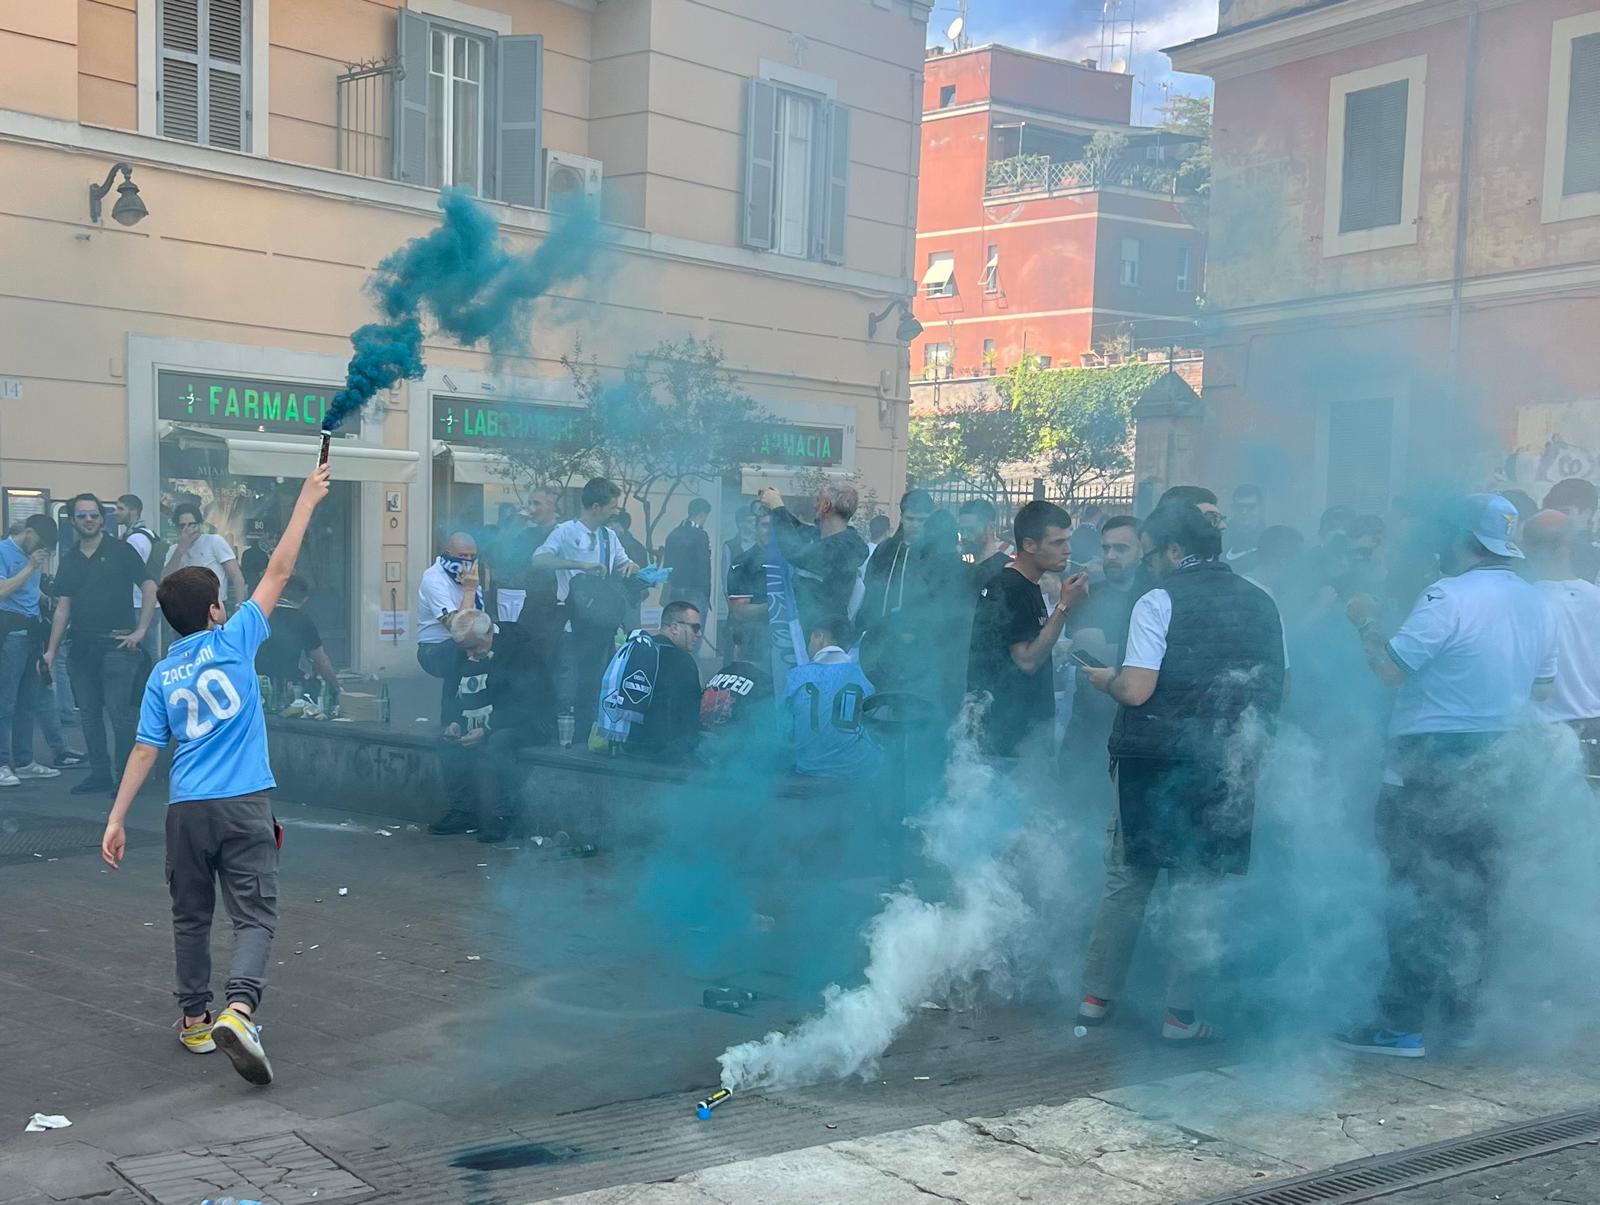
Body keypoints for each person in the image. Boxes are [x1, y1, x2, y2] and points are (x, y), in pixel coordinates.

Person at [99, 462, 332, 1088]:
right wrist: (306, 499)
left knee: (190, 916)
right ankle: (241, 1009)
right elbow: (279, 570)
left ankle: (197, 1019)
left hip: (186, 811)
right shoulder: (235, 639)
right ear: (214, 610)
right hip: (244, 804)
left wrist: (117, 817)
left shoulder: (161, 674)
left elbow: (146, 751)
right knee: (254, 914)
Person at [1335, 494, 1555, 1058]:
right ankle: (1462, 1020)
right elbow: (1542, 688)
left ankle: (1400, 1023)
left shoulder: (1446, 597)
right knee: (1478, 895)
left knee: (1413, 892)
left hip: (1427, 763)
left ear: (1462, 539)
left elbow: (1388, 669)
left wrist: (1363, 621)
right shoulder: (1536, 602)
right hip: (1501, 764)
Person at [1076, 500, 1285, 1042]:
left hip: (1153, 762)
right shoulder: (1264, 602)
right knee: (1198, 886)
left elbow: (1138, 688)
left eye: (1150, 554)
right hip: (1227, 762)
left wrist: (1106, 680)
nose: (1147, 565)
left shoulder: (1158, 599)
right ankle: (1180, 1016)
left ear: (1174, 550)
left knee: (1129, 877)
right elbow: (1275, 689)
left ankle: (1097, 999)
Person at [44, 494, 158, 796]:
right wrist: (51, 650)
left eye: (94, 515)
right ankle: (99, 774)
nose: (89, 520)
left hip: (117, 644)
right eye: (82, 516)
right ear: (73, 521)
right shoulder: (69, 560)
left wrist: (142, 629)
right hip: (81, 645)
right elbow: (62, 608)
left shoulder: (121, 550)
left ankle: (126, 779)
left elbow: (149, 586)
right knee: (89, 714)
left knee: (120, 715)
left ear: (102, 518)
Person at [966, 501, 1087, 757]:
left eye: (1068, 540)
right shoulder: (1008, 588)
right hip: (1004, 739)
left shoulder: (1028, 585)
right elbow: (1027, 661)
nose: (1068, 550)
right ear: (1030, 545)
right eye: (1057, 543)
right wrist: (1065, 605)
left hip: (1026, 734)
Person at [427, 609, 556, 842]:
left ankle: (505, 816)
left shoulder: (521, 652)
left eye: (475, 648)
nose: (470, 655)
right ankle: (463, 812)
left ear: (489, 633)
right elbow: (451, 691)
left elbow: (528, 702)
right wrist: (453, 722)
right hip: (480, 719)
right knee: (447, 742)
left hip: (527, 723)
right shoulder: (464, 650)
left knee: (500, 742)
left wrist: (488, 728)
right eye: (465, 649)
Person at [533, 478, 640, 736]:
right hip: (572, 619)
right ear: (596, 507)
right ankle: (561, 734)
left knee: (595, 680)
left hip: (600, 620)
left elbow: (626, 563)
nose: (616, 511)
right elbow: (539, 559)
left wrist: (631, 568)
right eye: (612, 506)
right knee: (569, 677)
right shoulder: (565, 531)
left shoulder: (609, 536)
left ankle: (586, 733)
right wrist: (579, 566)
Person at [1521, 511, 1600, 776]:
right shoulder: (1596, 598)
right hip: (1594, 724)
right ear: (1569, 547)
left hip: (1541, 731)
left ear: (1528, 549)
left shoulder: (1523, 602)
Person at [1061, 516, 1141, 773]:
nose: (1111, 556)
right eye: (1106, 548)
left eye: (1121, 548)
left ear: (1142, 549)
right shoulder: (1088, 595)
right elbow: (1082, 648)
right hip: (1087, 726)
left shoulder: (1154, 596)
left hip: (1133, 729)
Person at [758, 481, 869, 637]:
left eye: (818, 500)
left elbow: (796, 552)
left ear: (826, 506)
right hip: (804, 633)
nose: (814, 505)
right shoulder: (821, 538)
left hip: (828, 637)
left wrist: (778, 507)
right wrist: (776, 506)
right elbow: (797, 530)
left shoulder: (846, 548)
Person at [597, 600, 703, 761]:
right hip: (664, 755)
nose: (699, 634)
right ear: (674, 627)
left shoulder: (634, 650)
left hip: (627, 748)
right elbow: (690, 714)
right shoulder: (682, 661)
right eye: (695, 627)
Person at [0, 515, 63, 785]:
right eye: (40, 543)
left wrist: (48, 600)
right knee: (6, 702)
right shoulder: (4, 551)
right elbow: (3, 589)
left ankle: (24, 760)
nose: (42, 550)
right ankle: (3, 763)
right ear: (27, 532)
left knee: (28, 702)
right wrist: (30, 566)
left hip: (32, 631)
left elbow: (28, 590)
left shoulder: (34, 556)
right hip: (10, 632)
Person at [784, 616, 880, 778]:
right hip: (857, 769)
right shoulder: (864, 677)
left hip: (810, 768)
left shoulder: (796, 676)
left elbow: (785, 729)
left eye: (810, 639)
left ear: (819, 636)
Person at [416, 532, 481, 720]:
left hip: (462, 643)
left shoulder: (466, 575)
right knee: (464, 650)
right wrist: (469, 590)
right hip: (433, 649)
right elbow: (458, 629)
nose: (468, 561)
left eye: (472, 556)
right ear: (448, 553)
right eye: (462, 556)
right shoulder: (434, 579)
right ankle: (451, 720)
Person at [857, 489, 935, 639]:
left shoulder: (934, 553)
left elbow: (936, 599)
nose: (915, 524)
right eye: (910, 519)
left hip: (918, 638)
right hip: (881, 632)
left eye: (921, 520)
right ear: (902, 518)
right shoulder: (885, 550)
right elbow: (870, 588)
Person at [254, 577, 340, 708]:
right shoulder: (302, 620)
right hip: (289, 683)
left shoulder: (258, 616)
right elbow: (320, 660)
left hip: (254, 682)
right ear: (304, 599)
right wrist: (337, 689)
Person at [163, 503, 247, 609]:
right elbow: (165, 580)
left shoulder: (214, 541)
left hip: (213, 606)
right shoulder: (174, 550)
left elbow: (236, 576)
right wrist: (180, 550)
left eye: (192, 524)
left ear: (199, 525)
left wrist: (239, 606)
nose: (187, 529)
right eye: (182, 526)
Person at [663, 498, 714, 619]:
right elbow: (704, 567)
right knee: (694, 632)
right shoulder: (701, 535)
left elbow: (667, 565)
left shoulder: (673, 534)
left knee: (676, 629)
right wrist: (706, 594)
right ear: (702, 514)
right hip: (695, 592)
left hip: (675, 590)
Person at [1542, 477, 1600, 582]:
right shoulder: (1540, 548)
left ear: (1587, 513)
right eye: (1550, 512)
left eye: (1564, 512)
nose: (1555, 518)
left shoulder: (1594, 556)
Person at [958, 498, 1011, 585]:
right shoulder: (965, 570)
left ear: (990, 528)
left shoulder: (1006, 570)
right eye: (961, 530)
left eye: (971, 530)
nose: (964, 536)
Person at [1225, 484, 1264, 567]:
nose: (1244, 512)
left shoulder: (1268, 538)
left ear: (1261, 508)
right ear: (1232, 508)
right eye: (1239, 507)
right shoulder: (1220, 537)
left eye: (1251, 507)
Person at [722, 510, 758, 596]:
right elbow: (725, 575)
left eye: (755, 521)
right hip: (738, 594)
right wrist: (728, 598)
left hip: (758, 594)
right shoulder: (729, 546)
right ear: (740, 524)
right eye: (750, 521)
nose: (754, 524)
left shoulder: (761, 544)